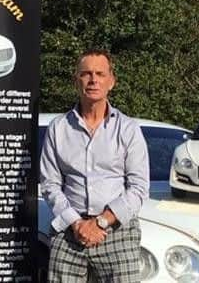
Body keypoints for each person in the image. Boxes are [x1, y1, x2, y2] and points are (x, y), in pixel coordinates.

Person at [40, 49, 149, 282]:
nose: (93, 80)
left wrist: (101, 222)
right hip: (71, 230)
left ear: (111, 81)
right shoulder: (58, 128)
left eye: (100, 73)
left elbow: (139, 188)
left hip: (118, 230)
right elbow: (50, 184)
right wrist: (76, 223)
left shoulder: (128, 129)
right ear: (76, 80)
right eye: (86, 74)